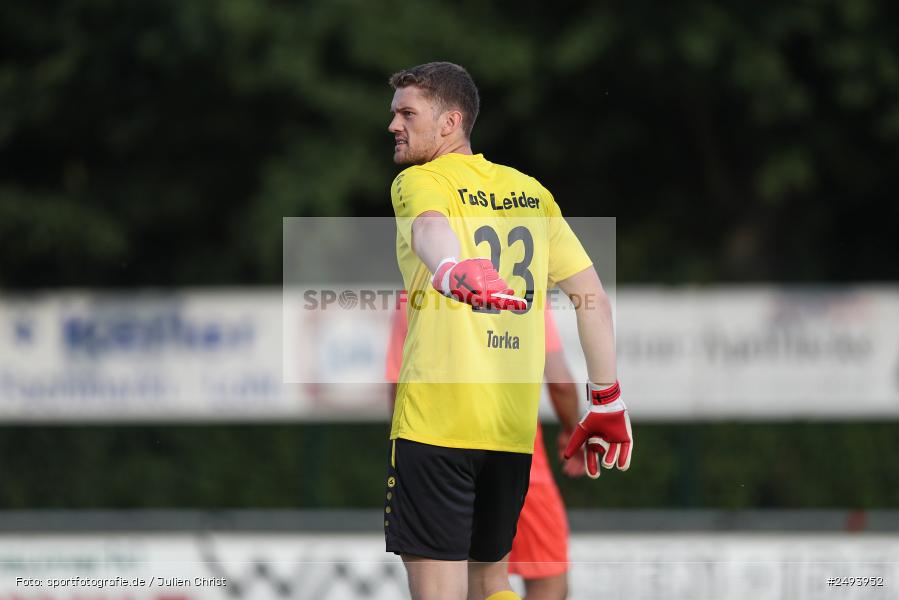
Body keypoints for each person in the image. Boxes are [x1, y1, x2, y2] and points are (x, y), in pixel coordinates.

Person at [385, 61, 632, 600]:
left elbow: (430, 228)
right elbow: (594, 301)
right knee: (491, 583)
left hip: (437, 425)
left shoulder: (418, 181)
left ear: (450, 123)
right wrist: (607, 401)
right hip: (510, 436)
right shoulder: (531, 192)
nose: (393, 126)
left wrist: (449, 269)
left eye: (407, 113)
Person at [386, 297, 587, 599]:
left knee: (450, 582)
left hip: (437, 441)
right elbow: (559, 381)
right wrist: (572, 430)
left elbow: (398, 382)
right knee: (532, 577)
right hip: (513, 445)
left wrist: (404, 453)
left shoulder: (418, 286)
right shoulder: (522, 282)